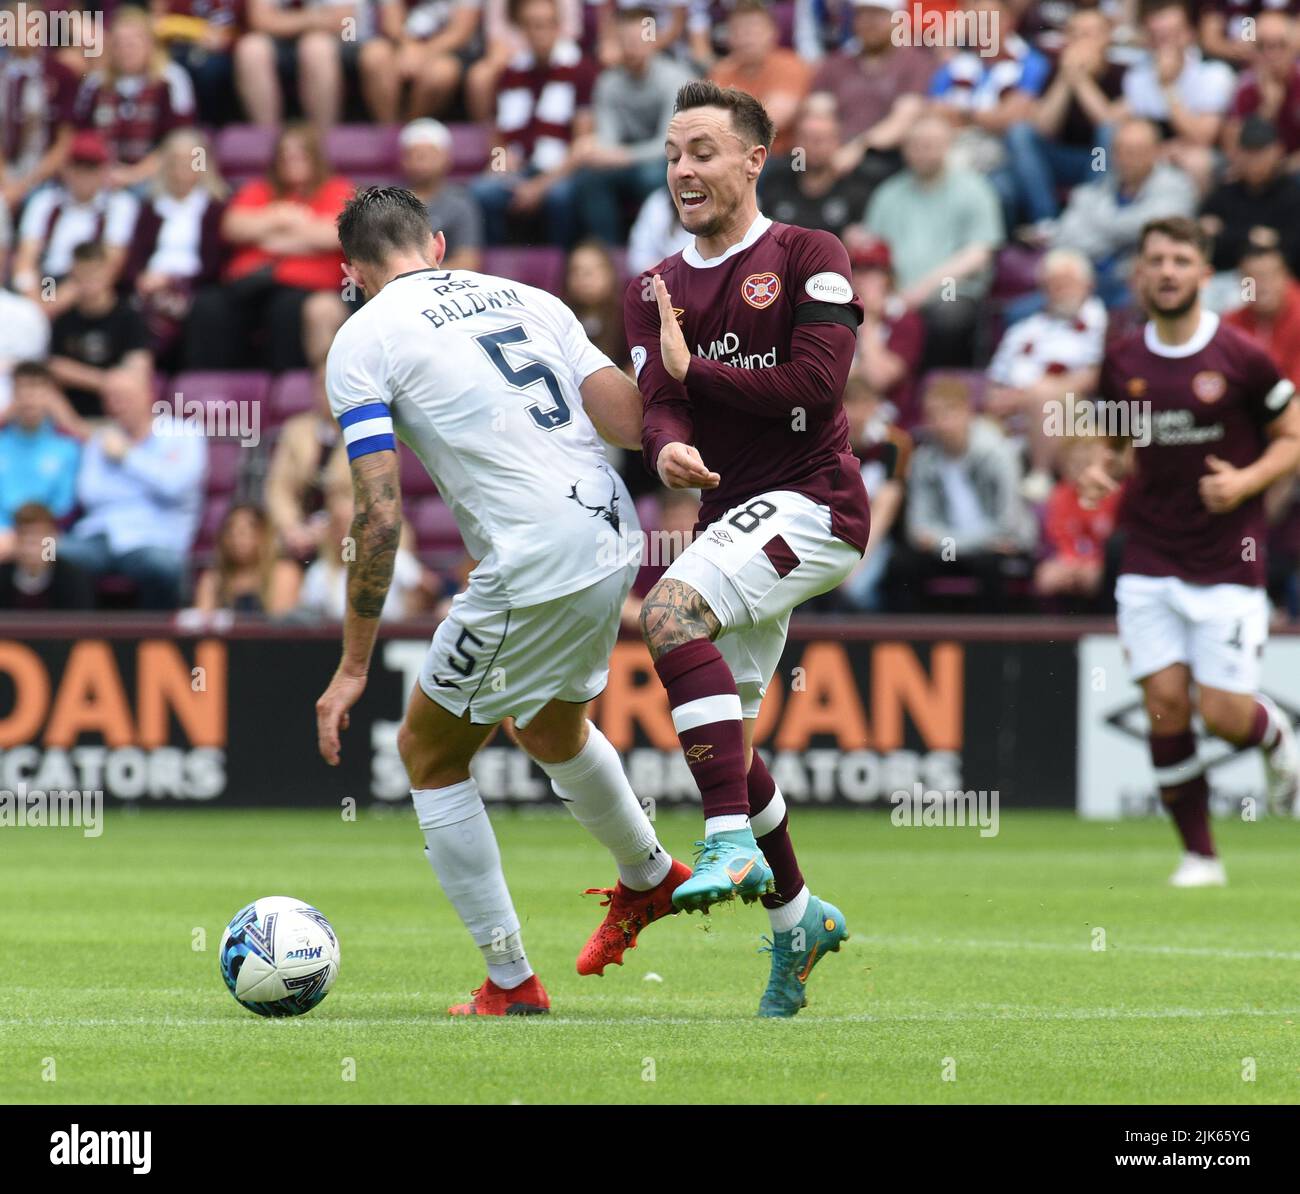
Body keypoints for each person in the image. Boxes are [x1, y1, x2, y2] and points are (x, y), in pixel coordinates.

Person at [313, 186, 688, 1017]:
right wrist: (678, 391)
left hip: (534, 555)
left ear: (353, 273)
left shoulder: (361, 339)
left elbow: (377, 514)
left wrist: (351, 666)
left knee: (429, 752)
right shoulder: (530, 298)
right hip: (613, 533)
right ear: (438, 244)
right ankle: (652, 874)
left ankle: (511, 981)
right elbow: (628, 420)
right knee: (551, 726)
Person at [625, 80, 860, 1016]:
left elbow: (819, 386)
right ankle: (798, 917)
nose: (684, 169)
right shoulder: (655, 288)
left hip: (816, 502)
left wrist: (698, 374)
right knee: (731, 739)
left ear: (755, 159)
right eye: (674, 153)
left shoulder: (810, 253)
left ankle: (723, 837)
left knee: (669, 612)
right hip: (737, 518)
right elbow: (661, 402)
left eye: (704, 152)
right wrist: (665, 445)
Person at [1081, 216, 1300, 886]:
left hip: (1228, 558)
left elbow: (1291, 435)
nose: (1169, 271)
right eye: (1157, 260)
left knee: (1226, 714)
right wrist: (1101, 470)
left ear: (1205, 273)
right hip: (1148, 552)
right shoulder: (1123, 359)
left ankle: (1276, 739)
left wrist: (1246, 483)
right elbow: (1113, 446)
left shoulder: (1240, 356)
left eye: (1181, 259)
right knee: (1165, 705)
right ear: (1141, 274)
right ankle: (1200, 854)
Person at [186, 122, 351, 372]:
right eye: (284, 155)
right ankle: (210, 389)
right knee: (208, 306)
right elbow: (233, 227)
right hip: (249, 283)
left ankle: (285, 389)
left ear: (315, 157)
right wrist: (283, 217)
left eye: (299, 154)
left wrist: (266, 236)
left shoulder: (337, 189)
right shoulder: (259, 189)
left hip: (305, 287)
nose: (290, 160)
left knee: (286, 310)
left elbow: (334, 235)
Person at [863, 111, 1004, 367]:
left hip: (950, 293)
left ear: (947, 146)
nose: (921, 152)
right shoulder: (887, 194)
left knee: (947, 316)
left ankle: (929, 387)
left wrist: (923, 290)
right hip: (894, 293)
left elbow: (978, 254)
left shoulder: (975, 190)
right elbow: (874, 252)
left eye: (930, 145)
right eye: (915, 145)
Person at [887, 374, 1038, 611]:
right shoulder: (924, 459)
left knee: (990, 565)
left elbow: (1008, 523)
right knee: (902, 564)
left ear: (967, 412)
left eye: (948, 413)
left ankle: (992, 641)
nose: (940, 423)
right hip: (960, 547)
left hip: (998, 548)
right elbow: (919, 527)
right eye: (933, 415)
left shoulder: (998, 453)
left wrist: (945, 542)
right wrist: (954, 544)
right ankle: (917, 637)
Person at [61, 367, 207, 609]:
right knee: (47, 552)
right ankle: (75, 637)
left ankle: (156, 639)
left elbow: (175, 486)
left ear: (148, 396)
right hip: (99, 538)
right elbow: (89, 494)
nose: (116, 405)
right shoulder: (101, 438)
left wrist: (128, 457)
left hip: (155, 541)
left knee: (165, 568)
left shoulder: (183, 433)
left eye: (123, 397)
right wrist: (150, 480)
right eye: (110, 398)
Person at [467, 0, 594, 247]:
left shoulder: (581, 70)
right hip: (517, 169)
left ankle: (560, 265)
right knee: (480, 192)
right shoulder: (510, 72)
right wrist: (501, 162)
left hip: (559, 170)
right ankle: (498, 265)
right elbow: (497, 136)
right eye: (532, 26)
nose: (539, 33)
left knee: (561, 197)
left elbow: (583, 143)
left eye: (545, 25)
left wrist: (539, 186)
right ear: (522, 31)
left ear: (558, 28)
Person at [572, 7, 696, 244]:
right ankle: (606, 254)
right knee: (588, 178)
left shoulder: (676, 78)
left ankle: (657, 247)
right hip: (627, 160)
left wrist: (623, 156)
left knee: (652, 176)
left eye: (639, 38)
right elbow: (608, 138)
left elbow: (671, 143)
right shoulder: (608, 82)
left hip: (669, 159)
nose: (632, 46)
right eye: (625, 40)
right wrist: (598, 151)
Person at [119, 127, 229, 368]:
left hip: (194, 286)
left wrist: (171, 280)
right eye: (176, 161)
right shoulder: (151, 208)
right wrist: (140, 278)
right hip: (149, 284)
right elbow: (135, 256)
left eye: (190, 161)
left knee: (200, 309)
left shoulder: (213, 208)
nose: (182, 169)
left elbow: (215, 262)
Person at [10, 130, 140, 314]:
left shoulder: (118, 205)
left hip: (91, 284)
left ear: (104, 170)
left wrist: (64, 298)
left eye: (91, 167)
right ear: (66, 168)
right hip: (50, 280)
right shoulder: (45, 202)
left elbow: (113, 262)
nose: (84, 175)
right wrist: (37, 301)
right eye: (78, 166)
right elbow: (26, 258)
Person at [73, 5, 196, 192]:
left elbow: (178, 142)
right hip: (102, 177)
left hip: (156, 178)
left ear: (150, 44)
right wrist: (104, 172)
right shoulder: (95, 84)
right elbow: (81, 137)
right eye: (119, 43)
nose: (125, 50)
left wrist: (134, 175)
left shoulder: (171, 80)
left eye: (132, 43)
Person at [49, 241, 154, 419]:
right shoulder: (63, 318)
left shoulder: (129, 316)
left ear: (110, 273)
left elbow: (138, 373)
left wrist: (78, 375)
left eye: (95, 273)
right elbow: (55, 368)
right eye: (83, 274)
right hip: (71, 417)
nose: (89, 281)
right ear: (73, 274)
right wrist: (108, 380)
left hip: (118, 418)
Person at [758, 94, 879, 241]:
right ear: (795, 142)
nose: (814, 146)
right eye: (807, 138)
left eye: (823, 139)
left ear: (837, 142)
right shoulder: (777, 181)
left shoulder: (855, 189)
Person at [708, 0, 811, 155]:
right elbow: (707, 119)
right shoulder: (721, 71)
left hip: (779, 156)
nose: (746, 38)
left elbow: (770, 121)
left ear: (774, 33)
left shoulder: (791, 65)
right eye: (738, 31)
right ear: (729, 37)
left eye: (753, 30)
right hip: (727, 155)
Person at [0, 363, 83, 557]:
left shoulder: (68, 447)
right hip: (3, 534)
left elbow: (65, 506)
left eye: (36, 388)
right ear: (13, 395)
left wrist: (30, 535)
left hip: (49, 535)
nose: (29, 398)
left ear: (49, 395)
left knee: (47, 553)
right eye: (22, 389)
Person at [1034, 436, 1120, 607]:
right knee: (1047, 577)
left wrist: (1091, 563)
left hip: (1099, 563)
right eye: (1074, 461)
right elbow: (1057, 537)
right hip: (1067, 560)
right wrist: (1073, 564)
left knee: (1097, 576)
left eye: (1086, 462)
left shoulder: (1116, 496)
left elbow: (1113, 542)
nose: (1081, 469)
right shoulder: (1058, 496)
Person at [398, 118, 483, 271]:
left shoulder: (460, 204)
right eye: (415, 155)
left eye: (428, 155)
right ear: (404, 160)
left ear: (446, 158)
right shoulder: (388, 202)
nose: (421, 161)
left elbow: (468, 262)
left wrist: (417, 276)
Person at [193, 502, 302, 615]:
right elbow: (203, 622)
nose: (236, 539)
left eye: (243, 532)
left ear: (262, 534)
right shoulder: (213, 578)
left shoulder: (283, 572)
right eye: (230, 532)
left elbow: (282, 623)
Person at [1225, 244, 1300, 390]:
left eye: (1267, 277)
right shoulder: (1230, 324)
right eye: (1249, 279)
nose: (1259, 286)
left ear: (1286, 277)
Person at [0, 503, 95, 611]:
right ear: (15, 539)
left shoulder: (74, 580)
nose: (32, 548)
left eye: (40, 538)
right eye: (26, 538)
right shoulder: (2, 577)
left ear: (55, 538)